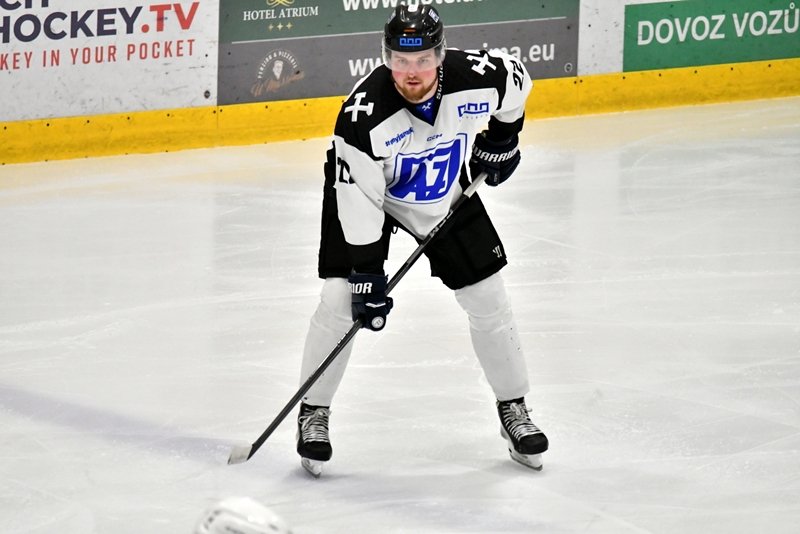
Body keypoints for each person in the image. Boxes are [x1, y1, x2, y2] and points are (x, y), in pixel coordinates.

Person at [295, 4, 548, 477]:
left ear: (440, 55)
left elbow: (518, 81)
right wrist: (367, 274)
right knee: (339, 298)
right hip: (368, 196)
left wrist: (504, 136)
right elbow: (359, 201)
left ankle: (514, 408)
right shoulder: (362, 116)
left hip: (441, 190)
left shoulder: (477, 76)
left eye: (423, 59)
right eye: (400, 60)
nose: (412, 72)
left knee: (488, 296)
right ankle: (314, 411)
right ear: (386, 56)